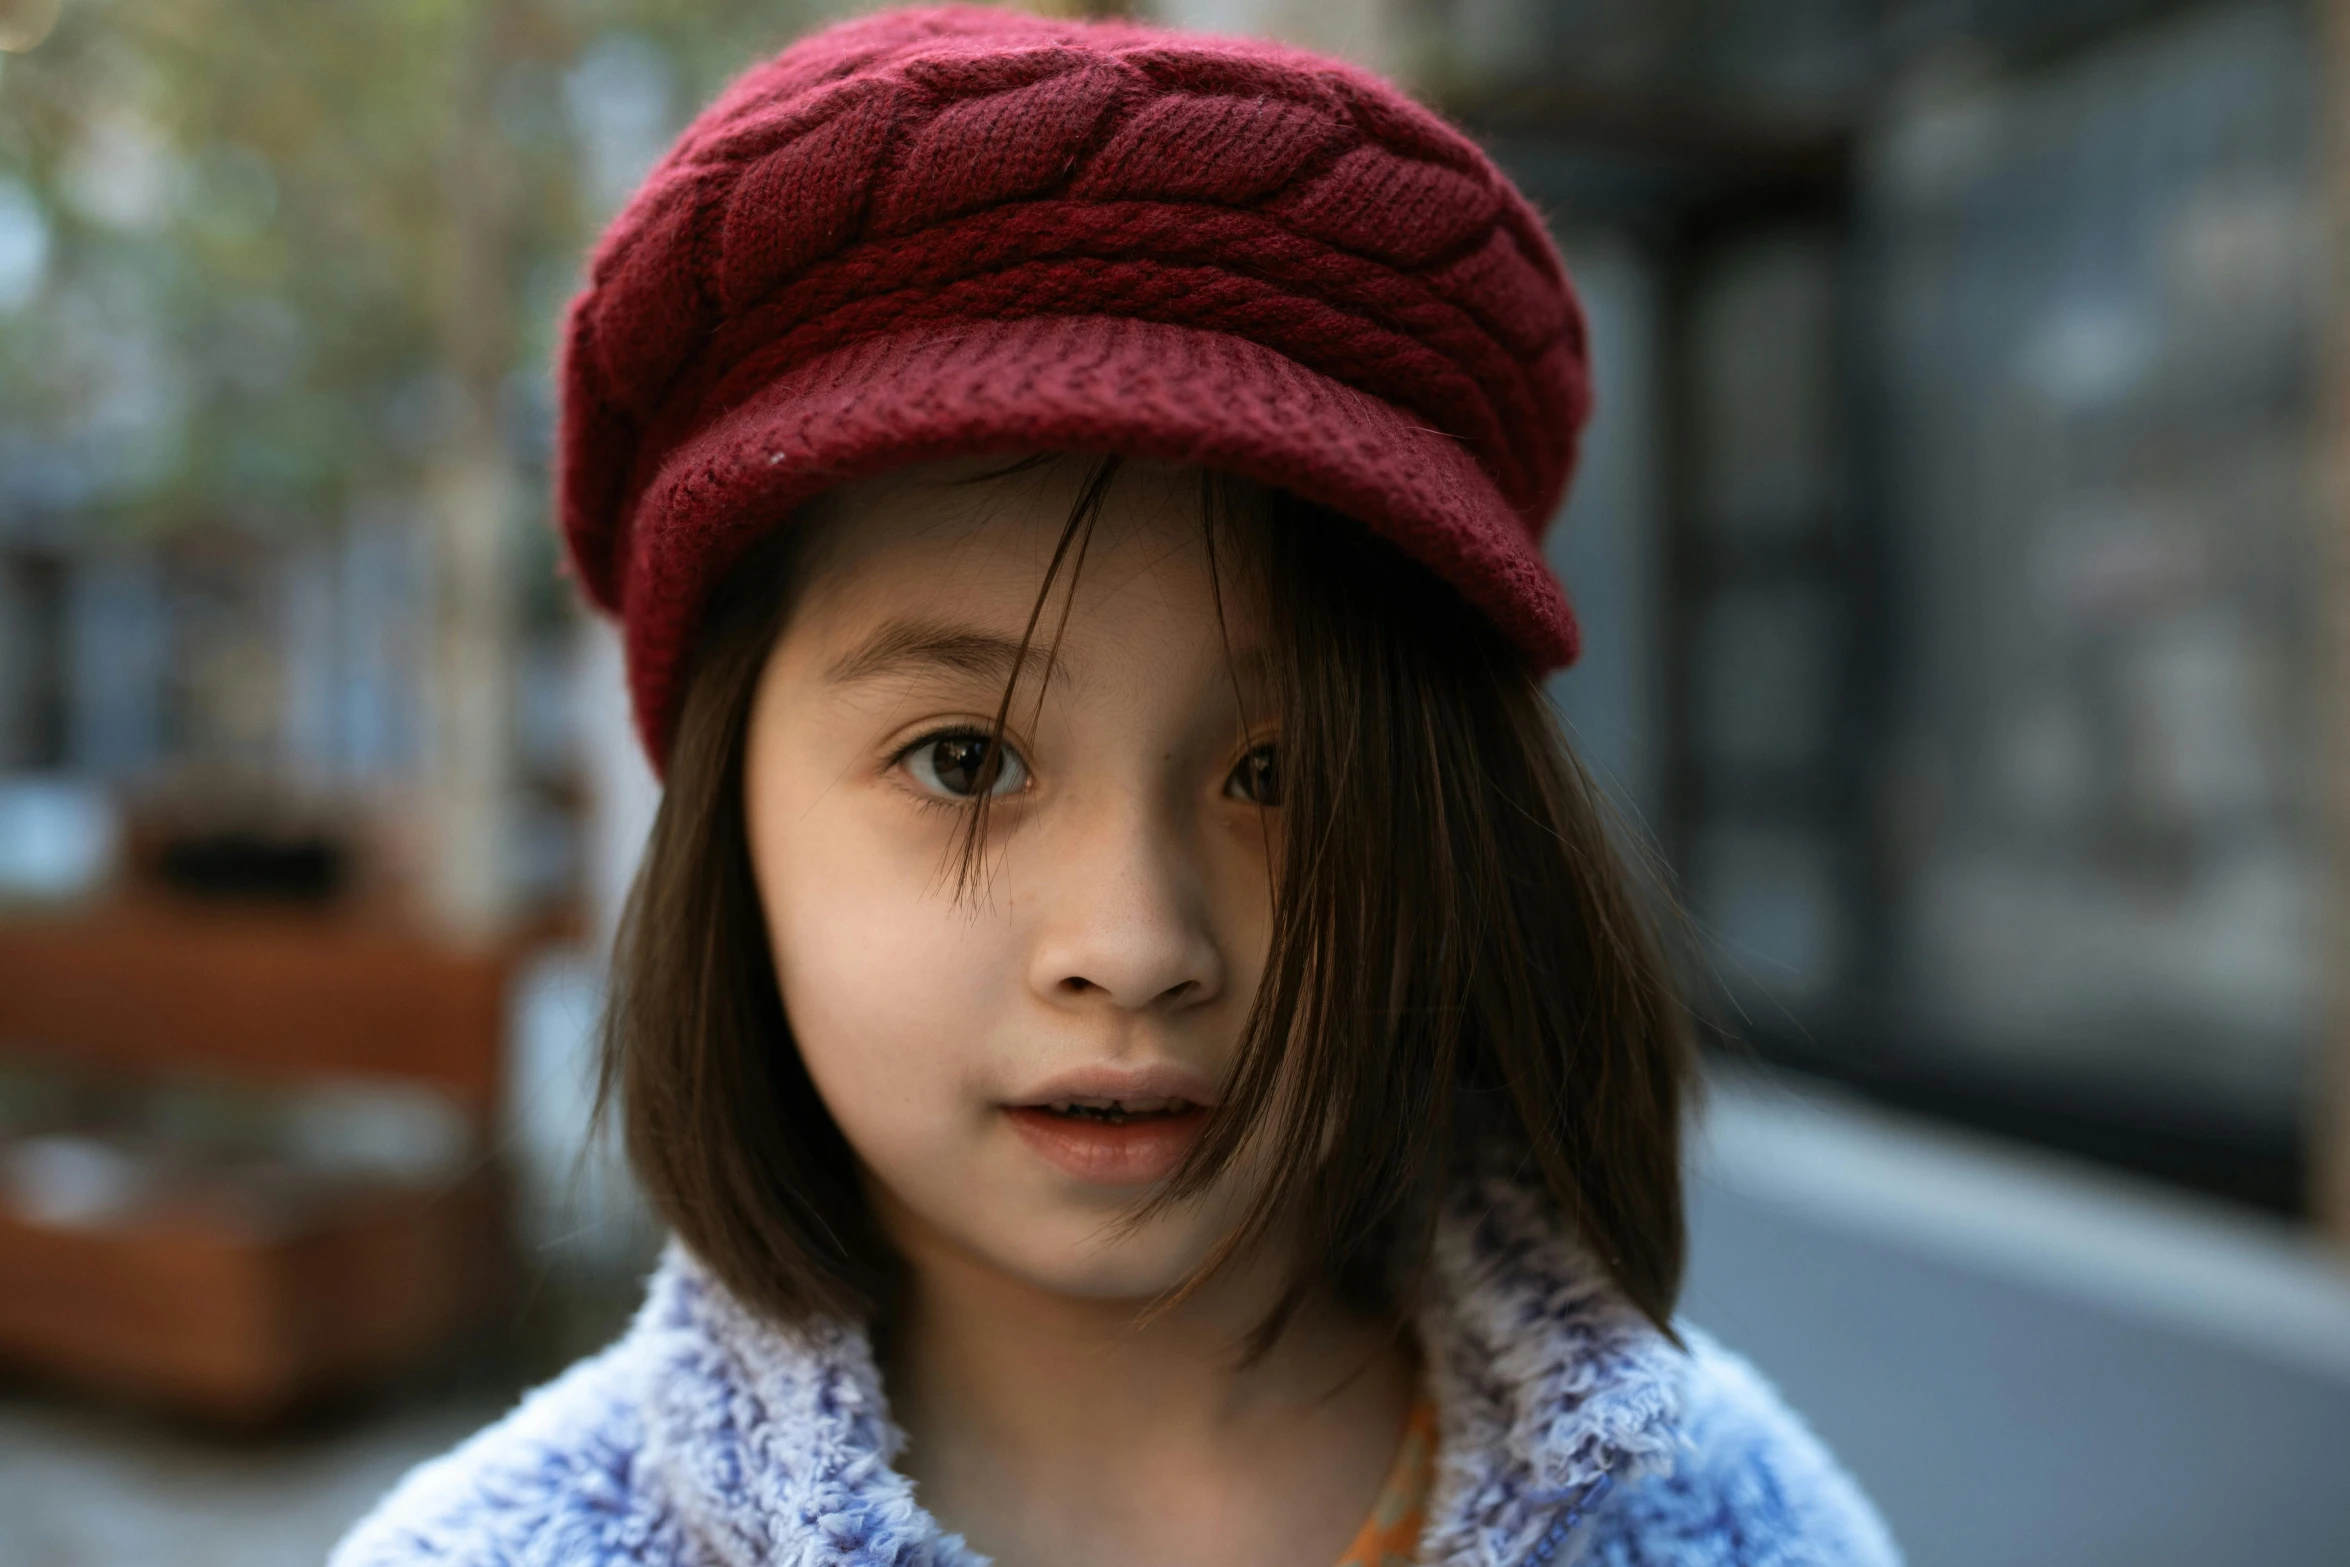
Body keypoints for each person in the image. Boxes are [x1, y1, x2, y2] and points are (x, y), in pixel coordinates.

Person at [333, 7, 1898, 1564]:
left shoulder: (1742, 1524)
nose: (1136, 942)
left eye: (1280, 773)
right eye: (963, 759)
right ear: (730, 815)